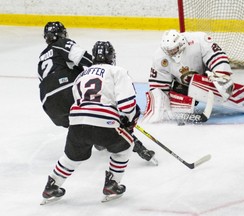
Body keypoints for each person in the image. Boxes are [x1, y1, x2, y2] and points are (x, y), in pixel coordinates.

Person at [38, 21, 156, 163]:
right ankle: (139, 148)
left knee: (84, 121)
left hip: (50, 107)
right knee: (103, 112)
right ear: (61, 34)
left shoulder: (41, 57)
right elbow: (84, 59)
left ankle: (98, 141)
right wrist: (103, 70)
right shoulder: (63, 43)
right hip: (67, 92)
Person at [41, 41, 142, 204]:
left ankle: (52, 184)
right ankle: (112, 183)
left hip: (76, 122)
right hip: (104, 122)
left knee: (71, 157)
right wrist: (128, 122)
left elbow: (79, 100)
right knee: (126, 146)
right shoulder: (118, 71)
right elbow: (127, 105)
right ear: (111, 57)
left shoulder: (81, 75)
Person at [143, 29, 244, 123]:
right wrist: (159, 106)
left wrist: (220, 76)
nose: (171, 53)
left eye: (174, 49)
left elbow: (217, 56)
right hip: (183, 87)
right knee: (172, 106)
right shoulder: (159, 57)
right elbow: (158, 85)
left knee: (211, 86)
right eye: (169, 51)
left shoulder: (198, 39)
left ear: (181, 44)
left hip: (206, 78)